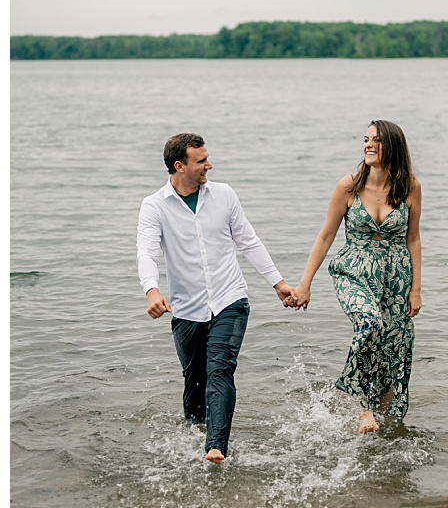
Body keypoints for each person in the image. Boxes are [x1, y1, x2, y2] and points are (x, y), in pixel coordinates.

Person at [137, 133, 296, 463]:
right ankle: (195, 437)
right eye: (201, 160)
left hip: (230, 299)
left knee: (220, 369)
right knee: (195, 383)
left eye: (207, 157)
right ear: (180, 166)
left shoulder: (224, 195)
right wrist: (152, 290)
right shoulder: (154, 206)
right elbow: (147, 252)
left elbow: (248, 241)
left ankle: (216, 446)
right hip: (186, 308)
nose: (209, 164)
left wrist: (277, 283)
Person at [292, 120, 423, 434]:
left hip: (395, 277)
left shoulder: (410, 187)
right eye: (365, 139)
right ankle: (364, 408)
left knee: (393, 351)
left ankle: (385, 432)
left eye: (376, 141)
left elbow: (413, 239)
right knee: (369, 324)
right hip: (355, 271)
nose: (368, 145)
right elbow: (325, 236)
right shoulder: (348, 186)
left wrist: (416, 288)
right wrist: (305, 283)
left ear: (391, 146)